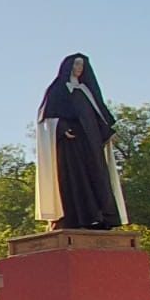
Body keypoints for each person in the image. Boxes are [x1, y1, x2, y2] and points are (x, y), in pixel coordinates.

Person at [36, 53, 128, 229]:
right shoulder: (58, 89)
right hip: (71, 144)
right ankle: (76, 218)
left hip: (91, 144)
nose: (79, 68)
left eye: (82, 65)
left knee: (98, 177)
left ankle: (101, 216)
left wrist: (106, 132)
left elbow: (99, 116)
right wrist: (62, 128)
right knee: (75, 179)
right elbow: (47, 117)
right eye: (76, 64)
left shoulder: (87, 91)